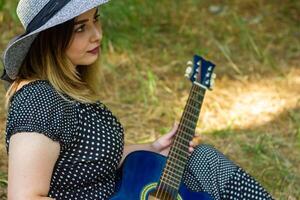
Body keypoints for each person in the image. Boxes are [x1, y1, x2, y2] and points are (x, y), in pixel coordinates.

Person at [0, 0, 274, 199]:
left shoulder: (66, 89)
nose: (97, 34)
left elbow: (85, 158)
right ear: (50, 39)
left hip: (123, 189)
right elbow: (25, 197)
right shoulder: (38, 101)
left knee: (203, 159)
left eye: (96, 19)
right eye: (80, 28)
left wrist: (152, 147)